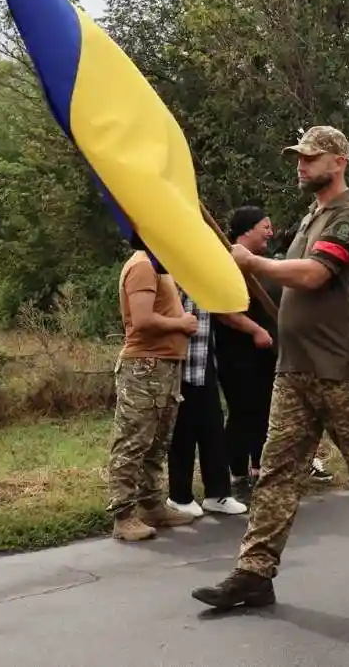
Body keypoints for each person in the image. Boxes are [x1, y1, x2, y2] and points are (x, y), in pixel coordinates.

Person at [192, 125, 349, 609]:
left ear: (339, 162)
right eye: (298, 156)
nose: (301, 164)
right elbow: (293, 280)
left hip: (343, 370)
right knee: (277, 471)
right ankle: (254, 572)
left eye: (311, 157)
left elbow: (315, 274)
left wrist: (253, 262)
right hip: (295, 369)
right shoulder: (313, 216)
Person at [107, 244, 202, 542]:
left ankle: (152, 506)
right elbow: (142, 320)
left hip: (163, 367)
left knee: (156, 442)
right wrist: (182, 323)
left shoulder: (158, 266)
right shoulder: (142, 266)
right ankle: (123, 517)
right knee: (133, 442)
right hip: (143, 368)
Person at [214, 206, 280, 503]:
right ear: (247, 229)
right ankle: (236, 475)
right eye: (265, 226)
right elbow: (224, 309)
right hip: (238, 354)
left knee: (265, 411)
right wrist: (255, 330)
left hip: (267, 354)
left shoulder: (260, 263)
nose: (271, 232)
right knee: (244, 412)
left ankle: (258, 468)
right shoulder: (228, 261)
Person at [166, 292, 247, 518]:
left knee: (213, 430)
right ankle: (179, 497)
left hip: (204, 363)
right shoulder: (171, 279)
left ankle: (218, 495)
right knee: (183, 434)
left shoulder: (203, 279)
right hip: (179, 366)